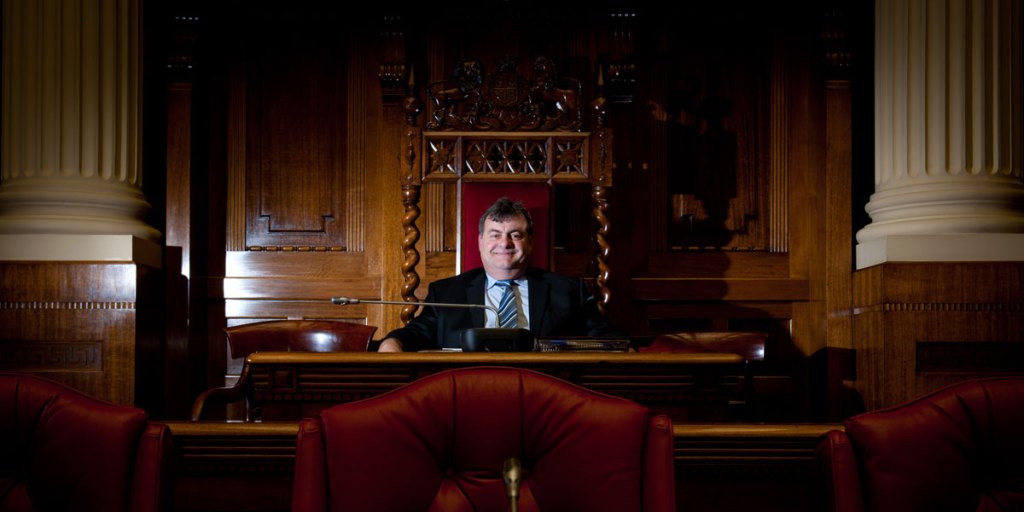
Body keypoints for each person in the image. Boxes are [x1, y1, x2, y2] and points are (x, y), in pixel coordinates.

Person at [377, 197, 620, 352]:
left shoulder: (569, 290)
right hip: (466, 392)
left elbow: (608, 340)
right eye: (495, 234)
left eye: (516, 235)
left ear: (530, 242)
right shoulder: (447, 292)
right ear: (481, 242)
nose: (505, 243)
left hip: (546, 393)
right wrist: (392, 342)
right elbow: (417, 333)